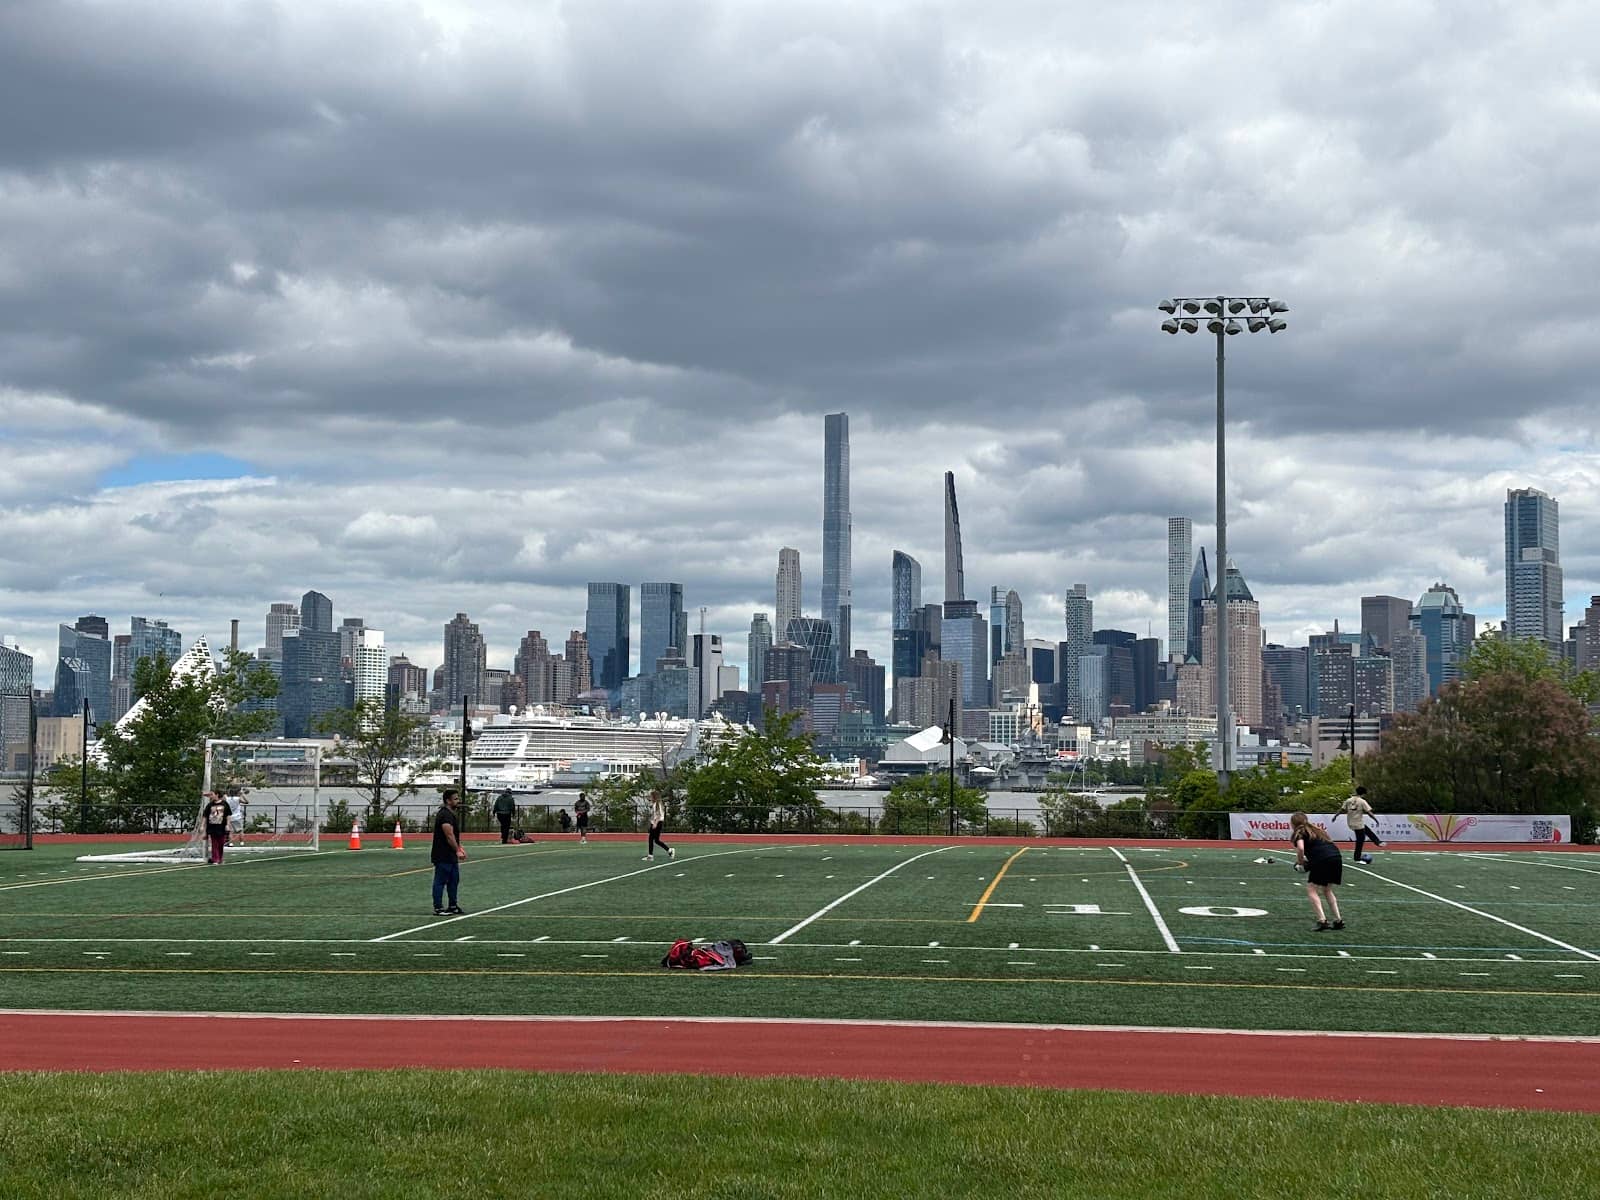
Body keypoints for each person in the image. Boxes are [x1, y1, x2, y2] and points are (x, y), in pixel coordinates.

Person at [1289, 811, 1344, 931]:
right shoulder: (1317, 830)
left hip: (1322, 859)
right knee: (1327, 889)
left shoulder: (1300, 832)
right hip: (1336, 857)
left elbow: (1301, 848)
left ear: (1293, 823)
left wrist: (1300, 861)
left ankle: (1322, 920)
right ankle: (1338, 920)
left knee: (1312, 889)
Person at [431, 789, 467, 916]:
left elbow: (453, 836)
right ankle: (438, 907)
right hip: (443, 854)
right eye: (456, 799)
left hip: (450, 854)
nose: (458, 801)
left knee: (453, 880)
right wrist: (457, 849)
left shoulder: (450, 814)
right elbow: (449, 834)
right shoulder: (445, 815)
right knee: (440, 881)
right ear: (448, 800)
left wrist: (459, 847)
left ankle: (452, 905)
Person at [1341, 785, 1383, 864]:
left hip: (1351, 822)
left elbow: (1341, 809)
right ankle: (1357, 858)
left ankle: (1377, 841)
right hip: (1358, 823)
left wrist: (1335, 816)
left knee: (1366, 830)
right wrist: (1375, 819)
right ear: (1363, 794)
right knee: (1361, 839)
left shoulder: (1348, 800)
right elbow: (1369, 812)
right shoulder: (1362, 801)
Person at [643, 789, 674, 862]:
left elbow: (658, 815)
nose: (650, 797)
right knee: (656, 840)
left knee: (651, 839)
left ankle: (650, 856)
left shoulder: (657, 804)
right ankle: (669, 850)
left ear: (654, 797)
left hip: (657, 822)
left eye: (651, 796)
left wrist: (655, 823)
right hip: (657, 822)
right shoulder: (656, 803)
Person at [202, 790, 232, 866]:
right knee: (214, 843)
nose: (211, 796)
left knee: (221, 843)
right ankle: (215, 859)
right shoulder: (210, 805)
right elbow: (205, 816)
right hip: (212, 826)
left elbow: (228, 815)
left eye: (212, 794)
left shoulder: (224, 804)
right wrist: (202, 825)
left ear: (217, 795)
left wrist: (227, 825)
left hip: (221, 826)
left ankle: (220, 858)